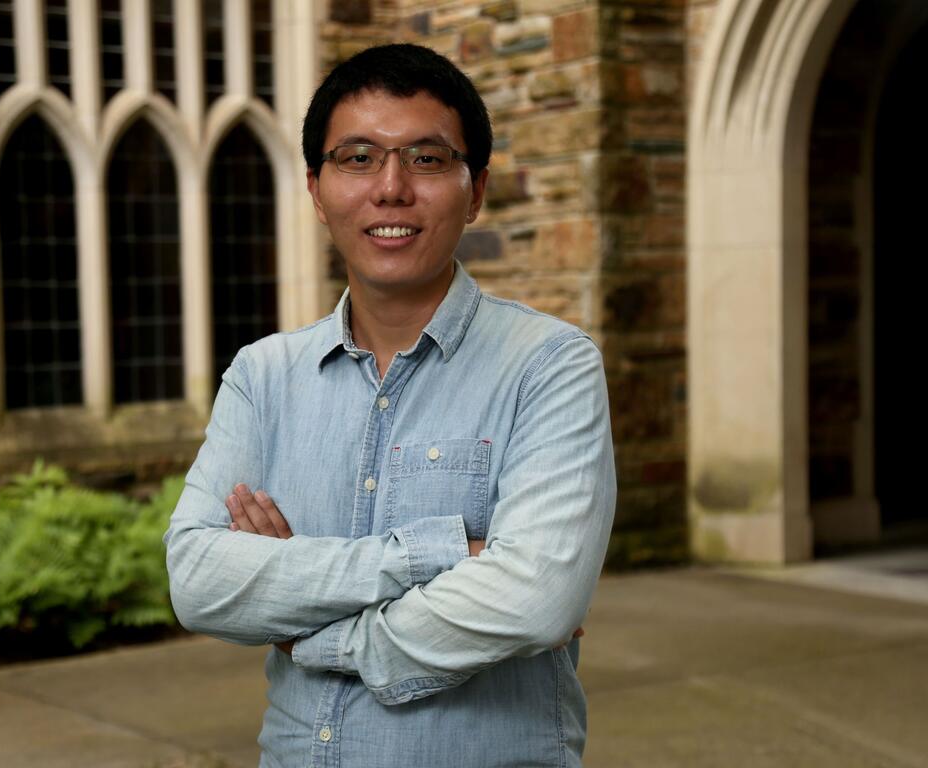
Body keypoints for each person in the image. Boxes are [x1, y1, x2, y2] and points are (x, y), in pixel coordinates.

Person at [164, 43, 616, 767]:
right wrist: (436, 555)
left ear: (476, 191)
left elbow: (535, 600)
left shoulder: (548, 366)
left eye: (428, 160)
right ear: (315, 188)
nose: (392, 188)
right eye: (358, 158)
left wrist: (307, 623)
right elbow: (197, 580)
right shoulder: (263, 376)